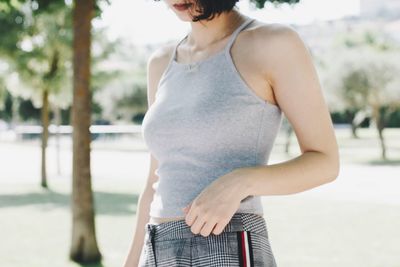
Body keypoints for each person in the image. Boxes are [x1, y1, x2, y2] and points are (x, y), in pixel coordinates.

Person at [123, 0, 340, 266]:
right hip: (157, 247)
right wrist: (132, 261)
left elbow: (325, 162)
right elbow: (155, 181)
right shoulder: (160, 62)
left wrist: (241, 182)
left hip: (228, 245)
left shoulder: (273, 44)